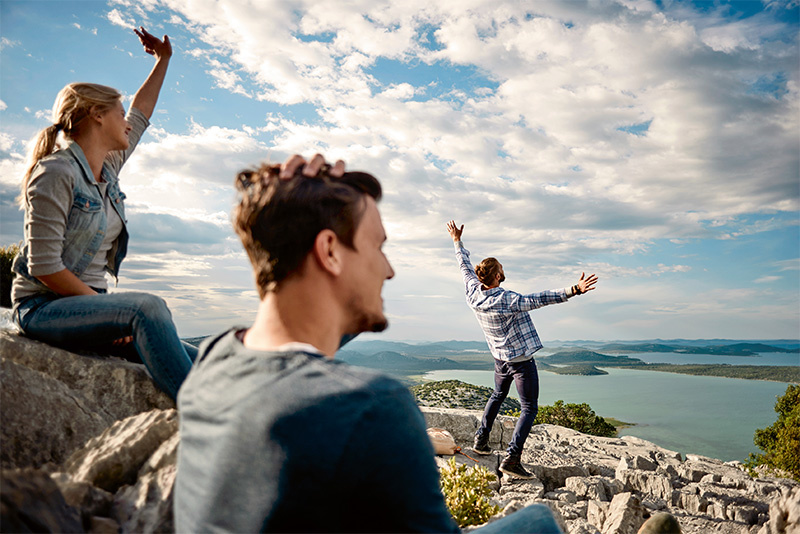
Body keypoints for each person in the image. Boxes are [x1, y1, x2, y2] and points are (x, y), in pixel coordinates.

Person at [174, 155, 563, 533]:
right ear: (329, 251)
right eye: (377, 247)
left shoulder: (216, 355)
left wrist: (280, 215)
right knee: (540, 522)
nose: (389, 270)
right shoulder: (375, 405)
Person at [11, 28, 196, 400]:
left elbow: (142, 114)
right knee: (148, 307)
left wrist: (164, 61)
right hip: (43, 309)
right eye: (119, 112)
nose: (127, 122)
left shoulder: (107, 167)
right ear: (97, 115)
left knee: (213, 356)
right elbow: (44, 267)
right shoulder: (55, 173)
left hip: (91, 307)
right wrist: (114, 312)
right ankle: (207, 416)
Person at [446, 219, 598, 480]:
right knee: (529, 408)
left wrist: (457, 241)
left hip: (499, 358)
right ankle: (512, 459)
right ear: (496, 275)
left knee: (497, 394)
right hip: (520, 360)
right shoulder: (506, 299)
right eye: (501, 268)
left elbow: (463, 266)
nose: (504, 271)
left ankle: (481, 442)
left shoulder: (473, 292)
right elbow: (538, 299)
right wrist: (573, 290)